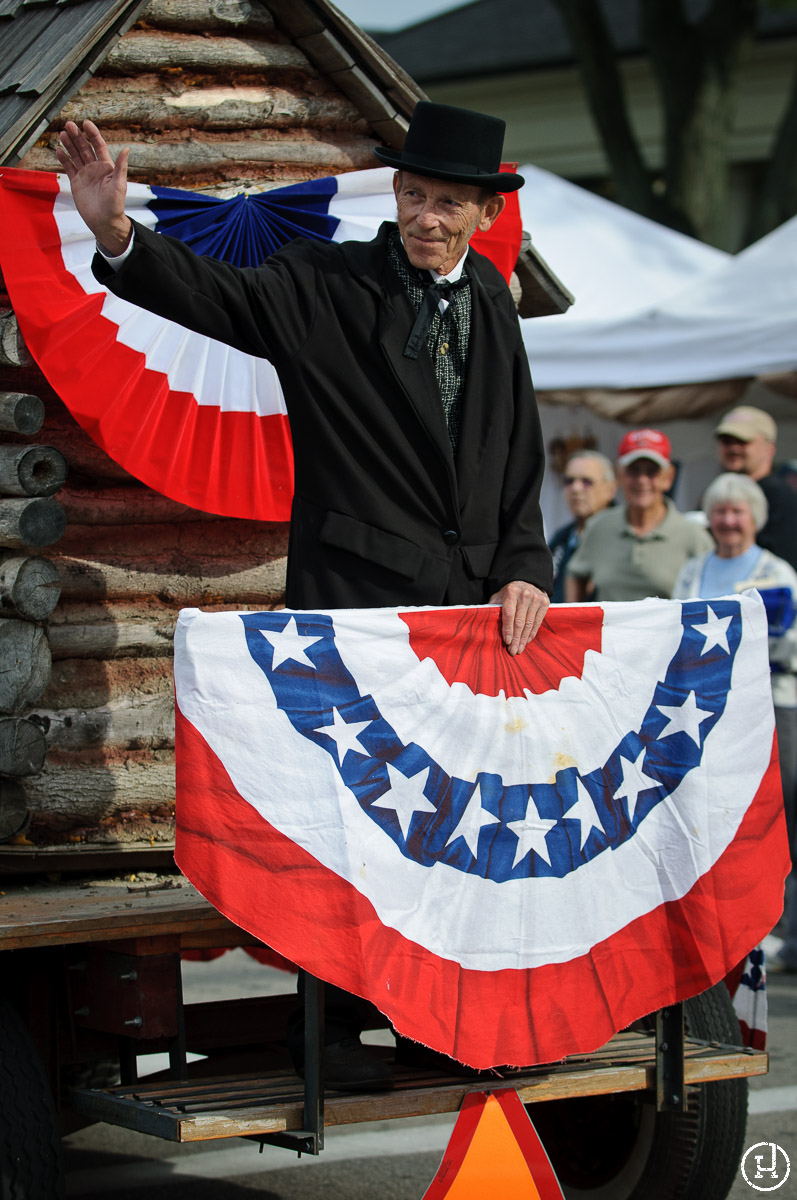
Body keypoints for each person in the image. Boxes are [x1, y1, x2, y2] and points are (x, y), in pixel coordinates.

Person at [56, 103, 553, 1087]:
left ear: (480, 215)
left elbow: (515, 447)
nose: (426, 218)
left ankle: (437, 1021)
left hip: (468, 621)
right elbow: (217, 300)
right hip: (357, 607)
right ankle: (330, 1030)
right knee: (361, 829)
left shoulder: (492, 296)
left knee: (452, 826)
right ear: (397, 196)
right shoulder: (324, 283)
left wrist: (525, 568)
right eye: (414, 196)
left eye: (448, 203)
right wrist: (115, 230)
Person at [673, 473, 797, 974]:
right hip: (708, 709)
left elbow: (790, 644)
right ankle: (726, 924)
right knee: (723, 815)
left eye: (737, 512)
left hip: (773, 703)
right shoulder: (692, 570)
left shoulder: (779, 572)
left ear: (754, 518)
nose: (727, 521)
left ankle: (781, 931)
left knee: (775, 813)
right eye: (719, 511)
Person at [565, 429, 712, 603]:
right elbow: (575, 573)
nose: (642, 480)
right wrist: (575, 621)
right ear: (619, 475)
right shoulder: (599, 528)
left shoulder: (692, 535)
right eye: (633, 471)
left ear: (669, 477)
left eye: (652, 472)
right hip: (611, 629)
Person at [714, 405, 797, 572]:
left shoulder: (779, 495)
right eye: (726, 441)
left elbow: (782, 563)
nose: (733, 448)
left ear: (769, 448)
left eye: (743, 441)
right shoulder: (715, 492)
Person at [548, 450, 616, 601]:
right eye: (569, 481)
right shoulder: (561, 537)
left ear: (610, 489)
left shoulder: (623, 532)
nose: (576, 489)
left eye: (587, 481)